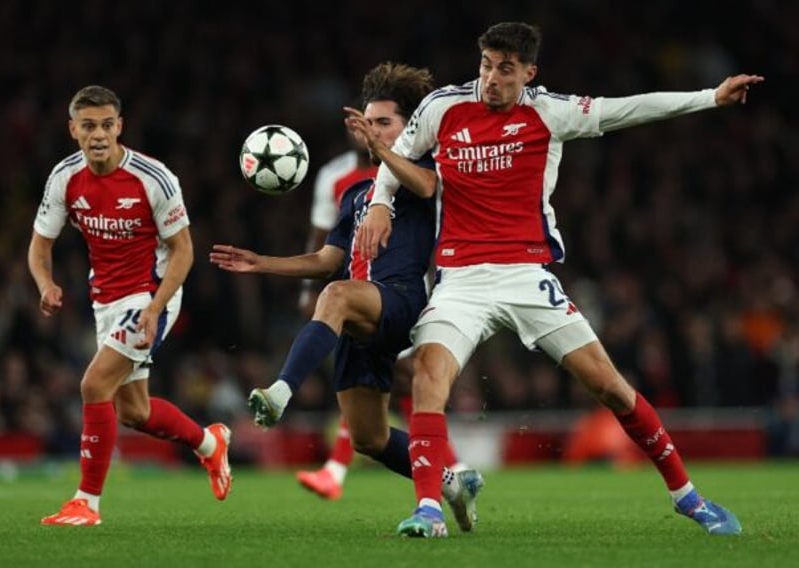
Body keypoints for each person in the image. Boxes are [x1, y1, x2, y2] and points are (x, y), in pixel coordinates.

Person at [352, 22, 763, 537]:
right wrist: (380, 205)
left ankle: (688, 497)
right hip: (461, 280)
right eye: (486, 65)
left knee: (611, 388)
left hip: (527, 276)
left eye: (505, 69)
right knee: (429, 378)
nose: (491, 79)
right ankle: (429, 510)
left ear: (528, 72)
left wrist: (710, 97)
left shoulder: (550, 111)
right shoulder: (442, 107)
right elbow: (398, 159)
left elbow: (627, 108)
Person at [210, 62, 483, 533]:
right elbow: (327, 258)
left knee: (335, 295)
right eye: (370, 122)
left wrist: (383, 149)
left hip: (401, 301)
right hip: (361, 316)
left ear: (409, 127)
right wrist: (262, 263)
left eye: (385, 123)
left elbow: (426, 187)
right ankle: (451, 483)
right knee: (368, 437)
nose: (373, 131)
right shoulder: (356, 193)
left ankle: (280, 392)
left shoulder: (424, 171)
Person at [28, 85, 231, 526]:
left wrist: (156, 308)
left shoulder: (154, 177)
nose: (98, 134)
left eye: (106, 125)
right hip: (106, 298)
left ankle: (86, 502)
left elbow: (183, 251)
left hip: (151, 292)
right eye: (88, 126)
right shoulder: (64, 177)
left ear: (119, 126)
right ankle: (211, 444)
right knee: (134, 411)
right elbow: (39, 245)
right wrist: (45, 284)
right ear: (73, 130)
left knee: (93, 385)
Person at [295, 130, 377, 500]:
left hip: (403, 283)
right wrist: (309, 290)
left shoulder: (404, 167)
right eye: (361, 124)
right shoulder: (333, 175)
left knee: (404, 374)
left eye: (377, 123)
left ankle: (336, 468)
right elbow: (320, 236)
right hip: (354, 286)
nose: (366, 133)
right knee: (387, 374)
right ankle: (336, 469)